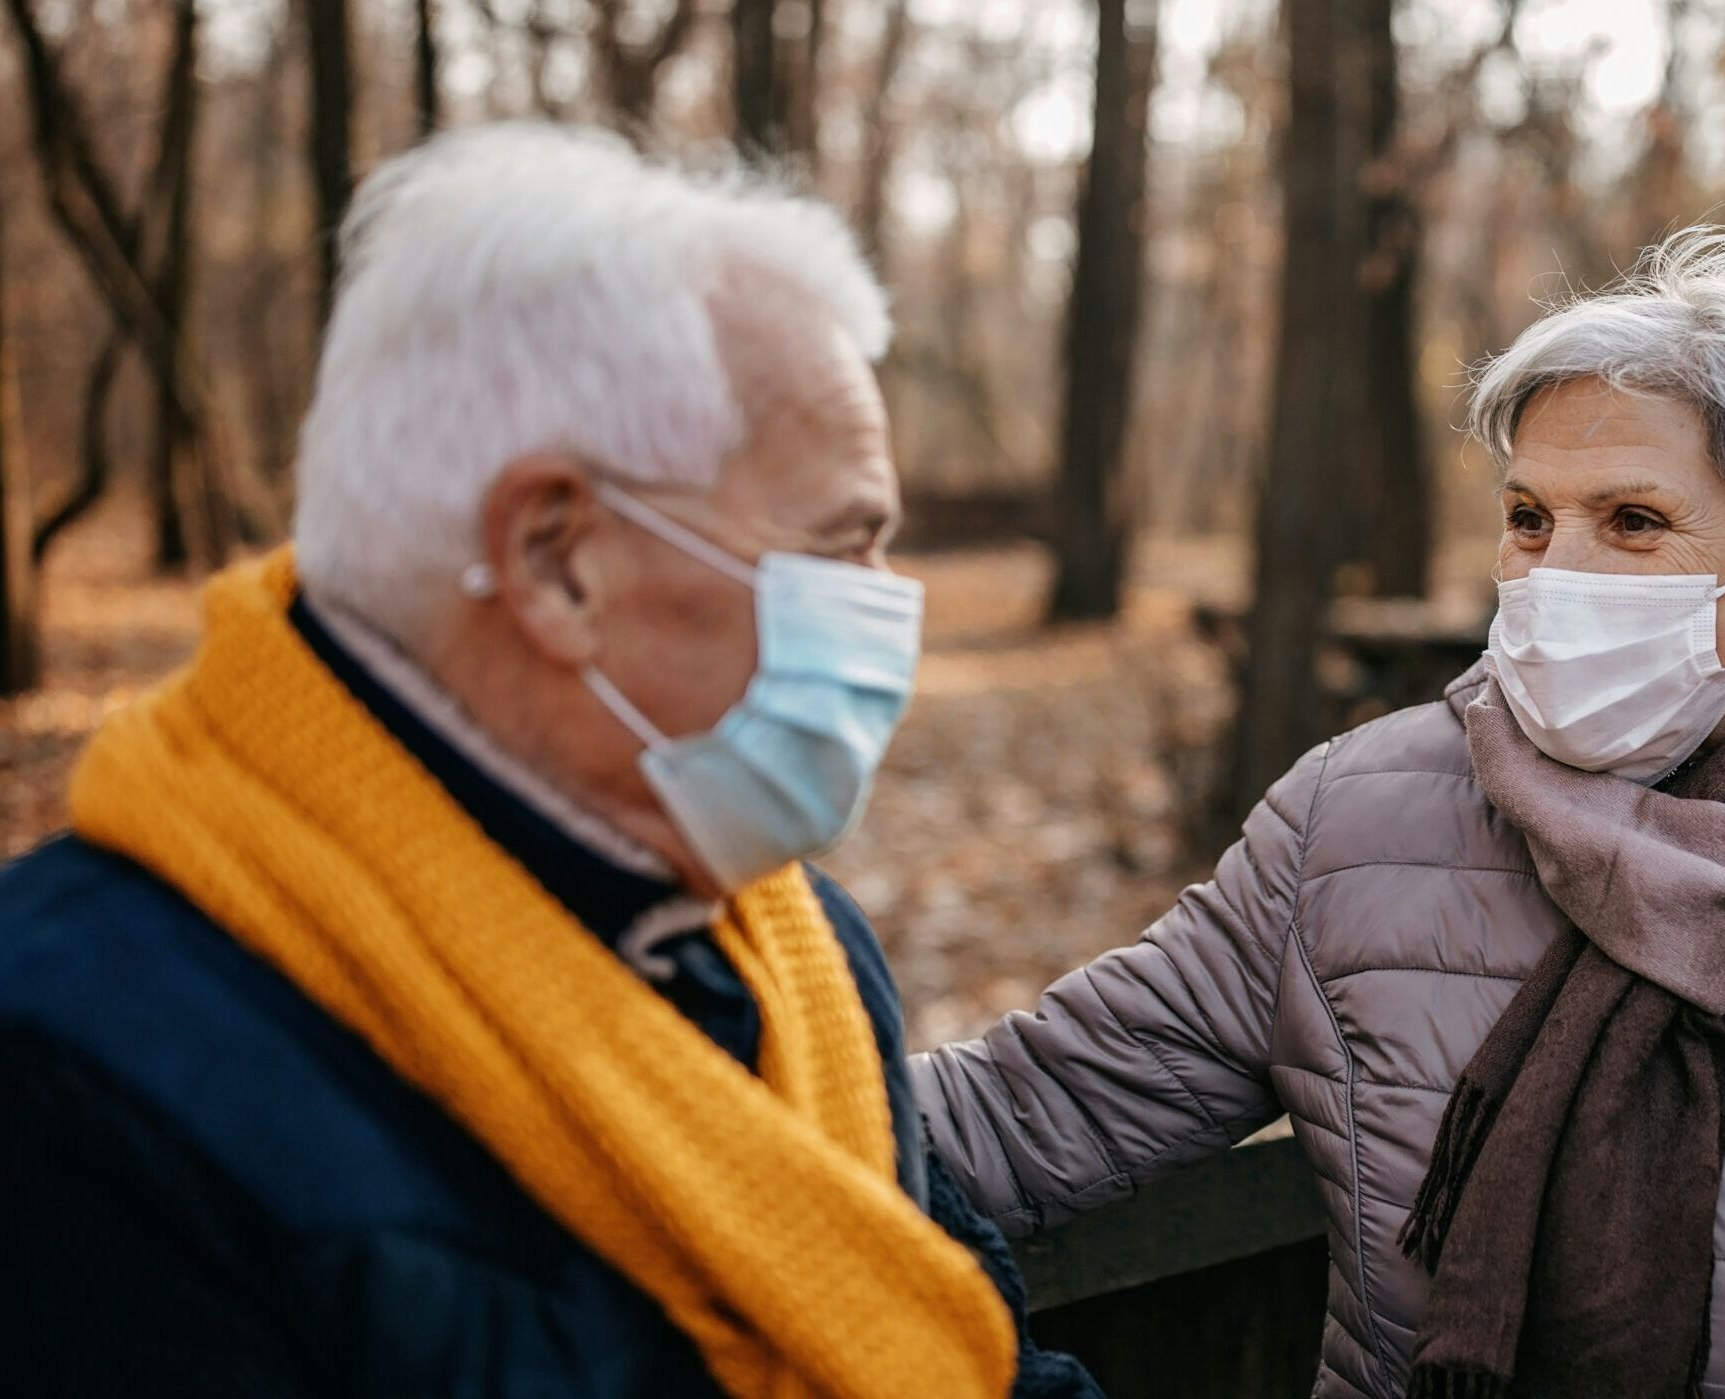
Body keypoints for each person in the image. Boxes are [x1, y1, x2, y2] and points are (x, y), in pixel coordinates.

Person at [914, 228, 1725, 1398]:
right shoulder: (1351, 821)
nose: (1555, 573)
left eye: (1634, 522)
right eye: (1528, 519)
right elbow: (1037, 1107)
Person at [0, 125, 1092, 1399]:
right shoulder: (75, 1081)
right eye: (845, 545)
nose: (889, 605)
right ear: (557, 561)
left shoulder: (798, 949)